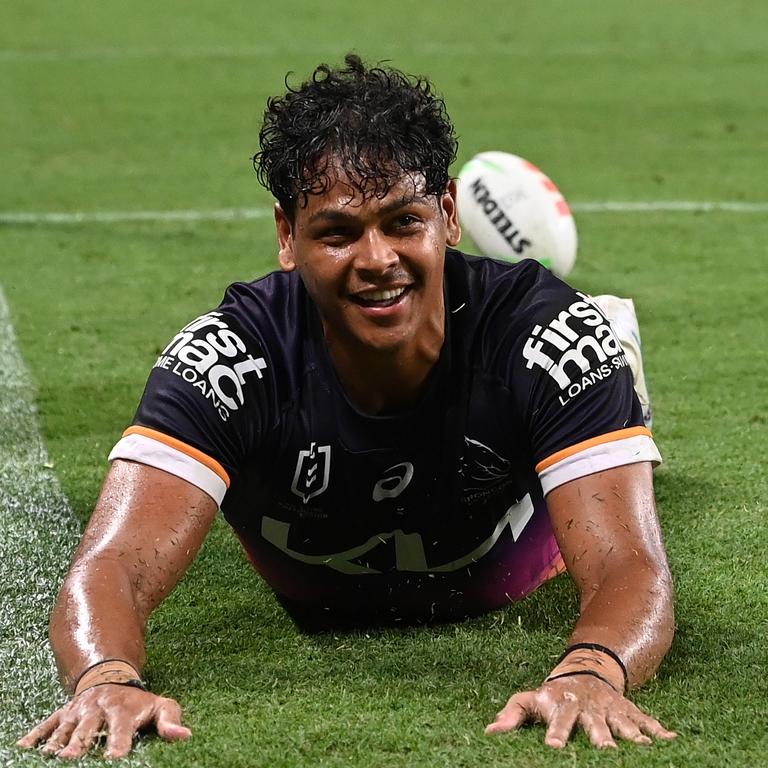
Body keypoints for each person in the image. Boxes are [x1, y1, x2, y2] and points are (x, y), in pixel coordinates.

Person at [18, 54, 675, 759]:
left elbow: (630, 566)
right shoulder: (229, 360)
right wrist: (104, 676)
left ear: (448, 216)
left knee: (589, 373)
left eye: (403, 221)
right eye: (337, 232)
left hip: (510, 568)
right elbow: (111, 563)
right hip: (333, 578)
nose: (376, 258)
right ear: (286, 237)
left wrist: (592, 670)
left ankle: (616, 378)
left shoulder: (543, 341)